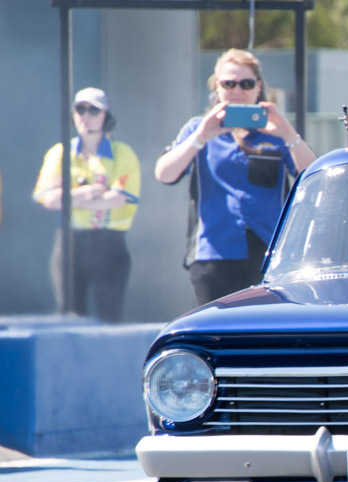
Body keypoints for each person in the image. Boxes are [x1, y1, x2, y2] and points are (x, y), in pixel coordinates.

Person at [154, 48, 316, 306]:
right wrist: (200, 138)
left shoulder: (276, 132)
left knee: (267, 326)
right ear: (216, 87)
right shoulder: (198, 128)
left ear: (258, 87)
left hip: (269, 253)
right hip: (213, 252)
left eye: (246, 83)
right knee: (217, 327)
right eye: (228, 83)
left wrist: (288, 134)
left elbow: (312, 176)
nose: (237, 90)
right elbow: (164, 173)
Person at [33, 87, 141, 322]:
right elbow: (48, 198)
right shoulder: (60, 153)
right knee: (70, 315)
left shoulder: (122, 153)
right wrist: (89, 192)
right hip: (70, 241)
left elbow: (117, 199)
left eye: (93, 110)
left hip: (109, 240)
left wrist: (69, 199)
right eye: (80, 109)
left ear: (105, 115)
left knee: (110, 317)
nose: (86, 116)